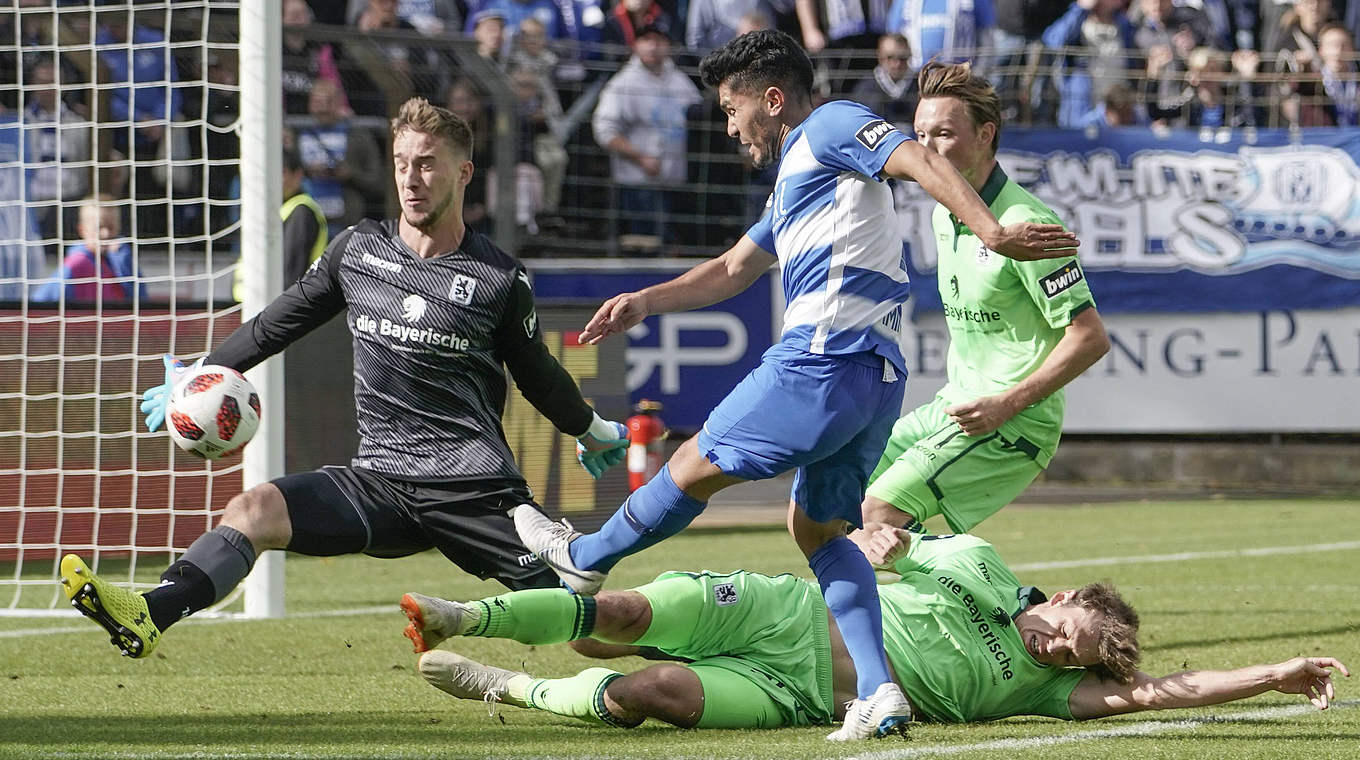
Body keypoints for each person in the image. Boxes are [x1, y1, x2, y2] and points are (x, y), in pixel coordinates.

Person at [511, 29, 1078, 741]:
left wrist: (990, 230)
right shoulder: (799, 181)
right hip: (876, 380)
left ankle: (583, 558)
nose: (728, 126)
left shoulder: (832, 124)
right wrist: (645, 301)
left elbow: (913, 159)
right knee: (817, 528)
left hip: (822, 358)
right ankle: (878, 691)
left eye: (731, 108)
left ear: (772, 99)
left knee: (689, 466)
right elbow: (731, 271)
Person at [58, 97, 631, 661]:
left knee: (577, 624)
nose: (412, 178)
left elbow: (539, 376)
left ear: (464, 172)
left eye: (428, 163)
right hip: (380, 481)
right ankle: (149, 612)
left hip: (473, 492)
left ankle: (683, 655)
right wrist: (204, 370)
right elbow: (273, 326)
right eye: (402, 162)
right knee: (254, 511)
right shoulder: (357, 251)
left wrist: (593, 428)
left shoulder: (498, 278)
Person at [402, 525, 1351, 730]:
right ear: (1059, 597)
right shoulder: (980, 566)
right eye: (1073, 629)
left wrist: (1273, 673)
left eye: (1081, 656)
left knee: (647, 690)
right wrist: (877, 529)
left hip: (798, 690)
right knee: (613, 616)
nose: (1065, 650)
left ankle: (506, 685)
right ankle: (470, 610)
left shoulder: (1048, 690)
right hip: (784, 609)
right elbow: (889, 536)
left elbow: (1160, 691)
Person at [862, 62, 1108, 537]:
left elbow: (1090, 338)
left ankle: (1000, 604)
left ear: (985, 134)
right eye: (919, 134)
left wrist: (1006, 404)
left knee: (878, 516)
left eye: (944, 134)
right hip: (956, 404)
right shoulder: (943, 214)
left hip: (1014, 424)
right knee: (836, 494)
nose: (925, 150)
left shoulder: (1026, 225)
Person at [591, 24, 700, 246]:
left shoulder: (679, 80)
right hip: (638, 182)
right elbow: (603, 129)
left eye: (659, 40)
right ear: (635, 45)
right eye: (646, 40)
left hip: (676, 182)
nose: (652, 46)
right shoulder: (622, 84)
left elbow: (699, 116)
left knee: (672, 247)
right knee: (646, 245)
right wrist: (640, 158)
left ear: (668, 46)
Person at [231, 147, 328, 303]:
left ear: (298, 175)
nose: (274, 179)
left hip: (273, 309)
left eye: (281, 172)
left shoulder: (301, 211)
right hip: (251, 304)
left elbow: (291, 270)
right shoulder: (277, 209)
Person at [33, 196, 146, 304]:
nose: (106, 234)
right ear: (82, 230)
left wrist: (123, 261)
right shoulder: (76, 264)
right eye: (99, 227)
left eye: (111, 227)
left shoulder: (120, 258)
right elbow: (40, 301)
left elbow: (141, 299)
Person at [847, 33, 919, 127]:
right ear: (879, 56)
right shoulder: (864, 88)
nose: (896, 64)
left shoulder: (920, 84)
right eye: (890, 57)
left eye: (902, 58)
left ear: (910, 55)